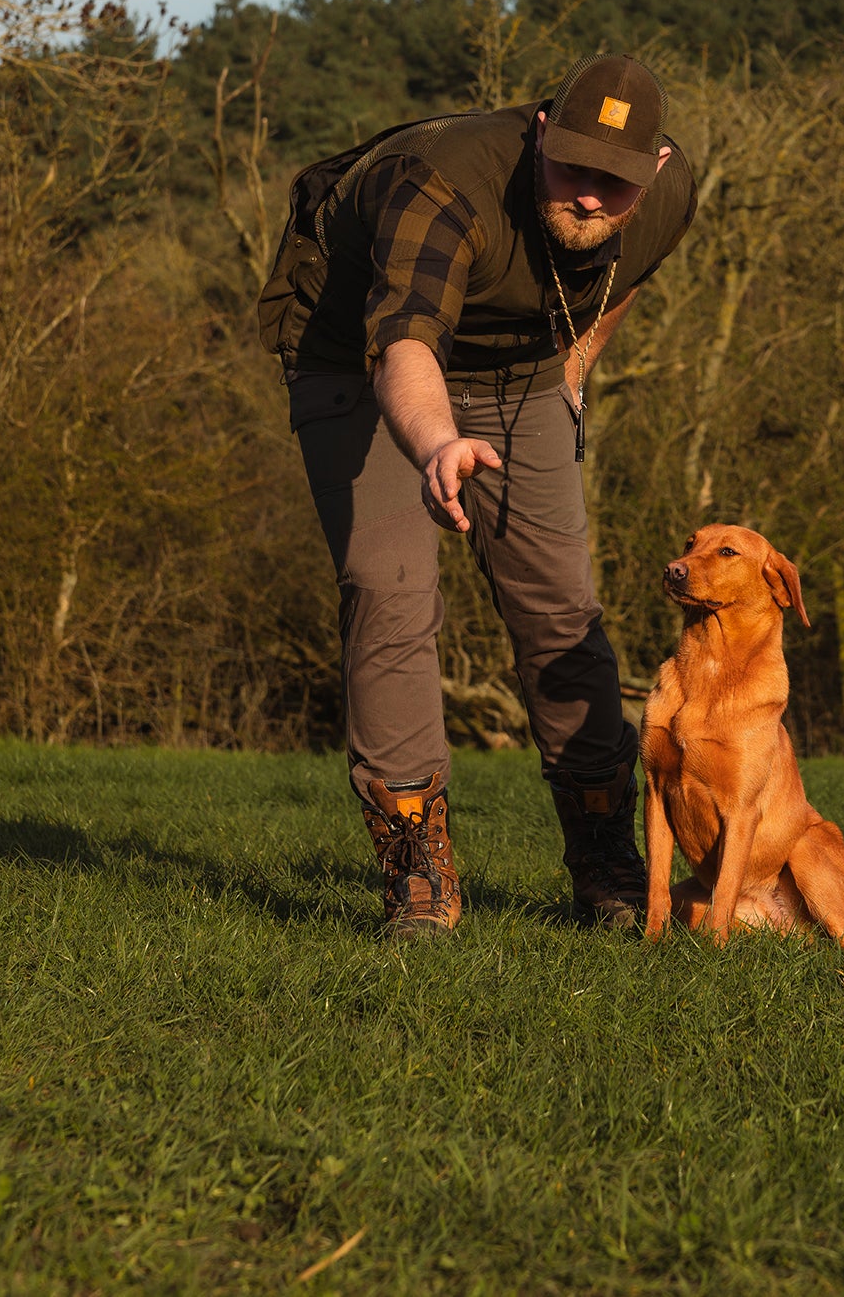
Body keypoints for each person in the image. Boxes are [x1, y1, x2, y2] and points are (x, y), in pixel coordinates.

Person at [257, 53, 696, 937]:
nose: (588, 197)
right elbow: (406, 346)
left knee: (561, 606)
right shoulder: (444, 186)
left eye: (614, 183)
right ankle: (418, 878)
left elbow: (624, 279)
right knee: (389, 594)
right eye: (572, 167)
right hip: (363, 357)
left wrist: (572, 374)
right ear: (541, 135)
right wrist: (435, 443)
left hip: (519, 371)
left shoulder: (672, 193)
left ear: (653, 168)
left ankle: (607, 863)